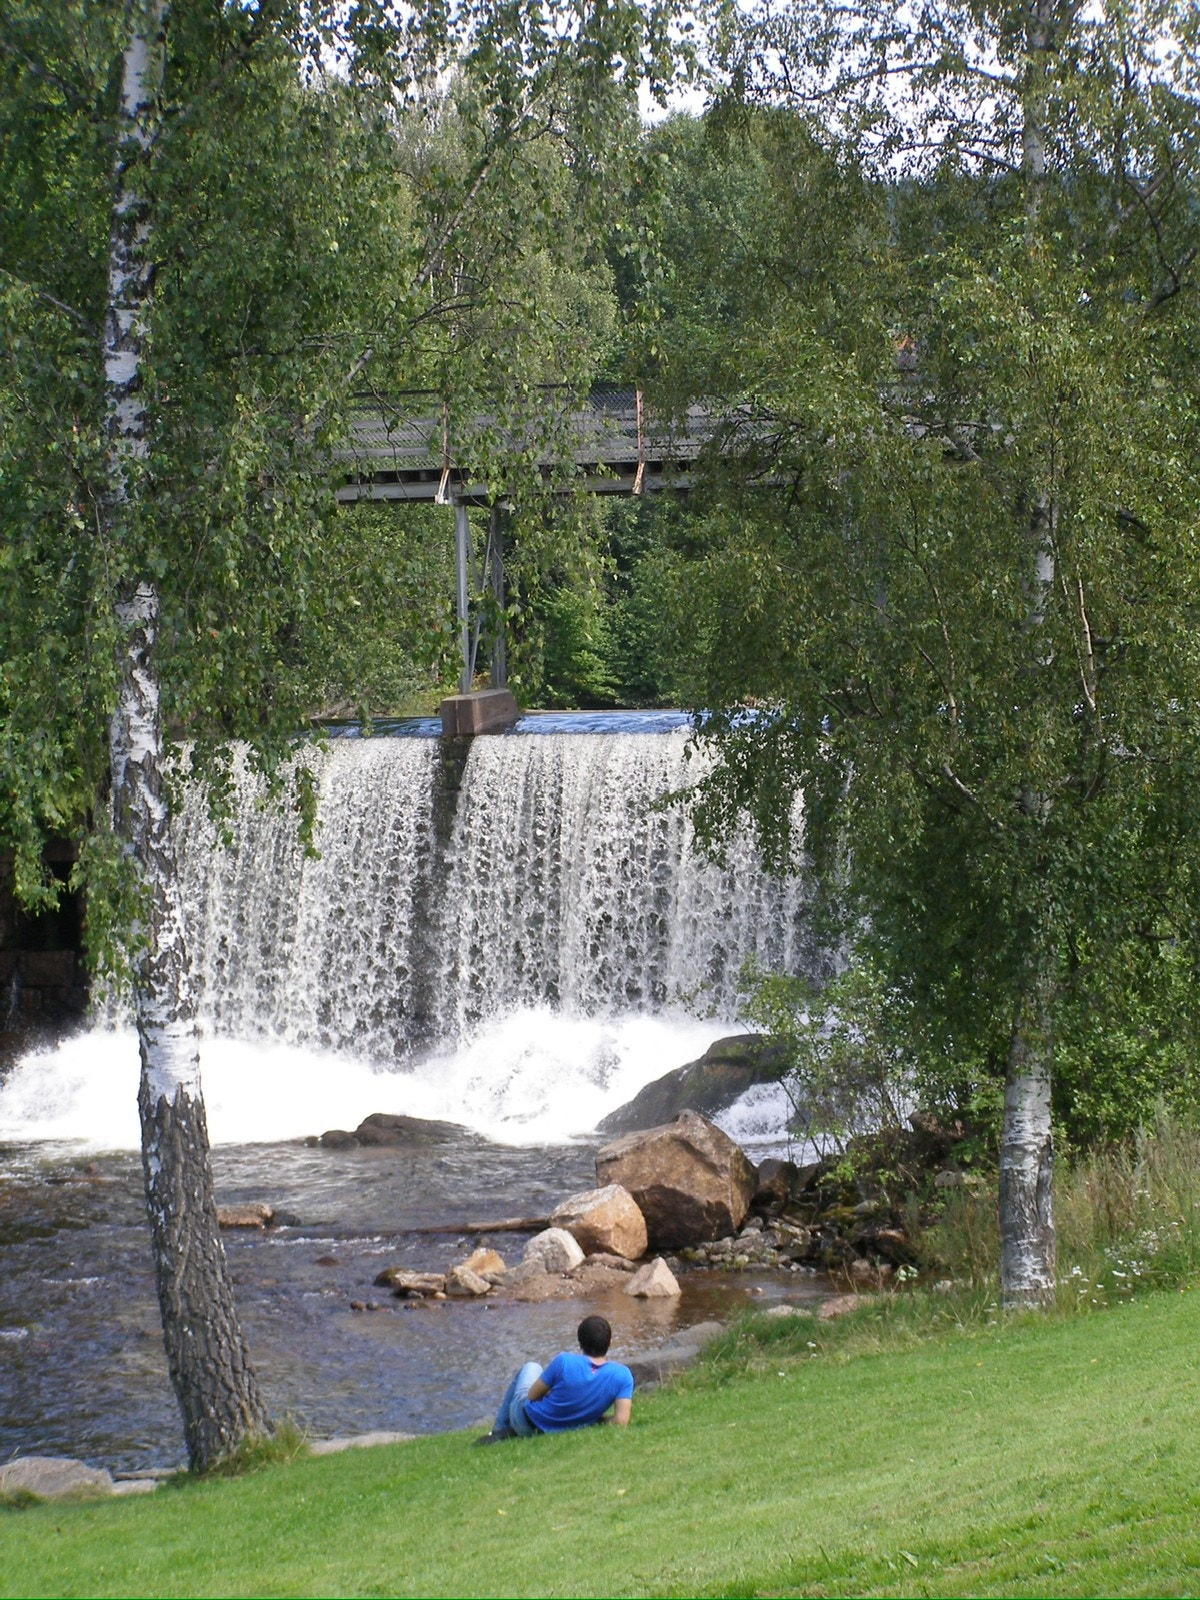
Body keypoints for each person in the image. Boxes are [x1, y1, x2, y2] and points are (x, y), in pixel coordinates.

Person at [479, 1314, 634, 1443]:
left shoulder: (564, 1361)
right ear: (609, 1343)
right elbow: (620, 1421)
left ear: (580, 1342)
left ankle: (498, 1431)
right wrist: (596, 1420)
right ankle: (502, 1432)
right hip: (561, 1428)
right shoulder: (622, 1375)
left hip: (527, 1423)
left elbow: (532, 1396)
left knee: (532, 1367)